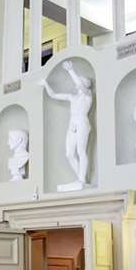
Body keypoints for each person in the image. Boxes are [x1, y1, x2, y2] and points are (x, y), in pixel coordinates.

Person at [41, 60, 93, 190]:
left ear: (86, 85)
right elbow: (53, 95)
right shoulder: (72, 97)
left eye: (81, 82)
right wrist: (45, 84)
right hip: (72, 124)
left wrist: (71, 70)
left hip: (82, 122)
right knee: (69, 154)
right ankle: (81, 179)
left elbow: (80, 86)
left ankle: (81, 180)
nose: (77, 84)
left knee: (81, 151)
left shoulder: (88, 95)